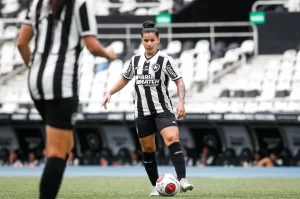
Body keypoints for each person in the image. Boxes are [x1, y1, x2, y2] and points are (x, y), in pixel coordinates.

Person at [17, 0, 116, 198]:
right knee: (57, 151)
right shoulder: (80, 4)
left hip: (35, 80)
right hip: (61, 82)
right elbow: (92, 46)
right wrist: (109, 55)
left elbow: (21, 43)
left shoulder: (37, 3)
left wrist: (34, 69)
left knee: (65, 144)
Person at [102, 21, 194, 196]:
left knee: (172, 138)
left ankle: (182, 179)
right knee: (148, 149)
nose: (149, 43)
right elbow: (124, 78)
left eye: (152, 40)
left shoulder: (166, 60)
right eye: (146, 40)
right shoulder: (135, 60)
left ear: (158, 40)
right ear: (141, 41)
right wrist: (110, 93)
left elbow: (179, 81)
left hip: (163, 110)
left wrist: (181, 102)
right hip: (142, 112)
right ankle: (155, 186)